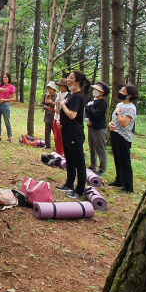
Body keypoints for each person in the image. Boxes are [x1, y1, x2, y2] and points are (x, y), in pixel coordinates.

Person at [56, 70, 91, 199]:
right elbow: (66, 114)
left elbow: (72, 114)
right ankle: (69, 184)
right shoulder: (70, 95)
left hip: (75, 135)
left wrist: (62, 105)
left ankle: (80, 189)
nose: (68, 80)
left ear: (77, 82)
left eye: (70, 78)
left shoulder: (78, 96)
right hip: (66, 132)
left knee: (79, 162)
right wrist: (60, 122)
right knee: (69, 160)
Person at [109, 84, 139, 193]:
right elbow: (114, 120)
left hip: (123, 137)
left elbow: (123, 123)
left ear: (129, 95)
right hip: (115, 134)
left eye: (123, 91)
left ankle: (128, 186)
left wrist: (118, 112)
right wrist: (110, 124)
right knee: (117, 158)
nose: (121, 92)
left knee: (125, 161)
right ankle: (119, 180)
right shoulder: (119, 104)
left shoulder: (131, 108)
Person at [85, 82, 110, 176]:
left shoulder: (103, 102)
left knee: (100, 148)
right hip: (91, 126)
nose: (95, 91)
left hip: (99, 128)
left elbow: (96, 113)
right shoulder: (92, 99)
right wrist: (87, 119)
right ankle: (93, 165)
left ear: (102, 92)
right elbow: (86, 110)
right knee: (92, 147)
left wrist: (90, 107)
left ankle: (102, 169)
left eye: (98, 90)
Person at [0, 73, 16, 142]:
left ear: (8, 78)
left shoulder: (11, 87)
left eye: (6, 77)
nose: (4, 79)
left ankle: (9, 137)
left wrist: (4, 100)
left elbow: (14, 98)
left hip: (5, 105)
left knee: (7, 121)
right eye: (3, 77)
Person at [52, 78, 69, 156]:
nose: (59, 87)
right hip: (56, 116)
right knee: (56, 136)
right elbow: (56, 103)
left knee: (62, 135)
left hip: (62, 118)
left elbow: (66, 106)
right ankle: (58, 151)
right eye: (59, 85)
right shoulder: (58, 94)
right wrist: (55, 107)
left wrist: (59, 103)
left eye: (61, 85)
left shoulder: (67, 95)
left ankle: (63, 152)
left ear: (65, 86)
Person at [41, 81, 58, 149]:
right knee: (47, 131)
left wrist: (52, 103)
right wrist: (46, 107)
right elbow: (42, 104)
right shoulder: (46, 95)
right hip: (47, 115)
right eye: (48, 88)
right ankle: (47, 144)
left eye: (50, 88)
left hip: (54, 115)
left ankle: (57, 145)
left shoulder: (57, 96)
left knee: (55, 131)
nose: (49, 90)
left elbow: (59, 106)